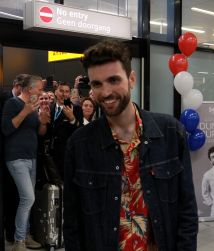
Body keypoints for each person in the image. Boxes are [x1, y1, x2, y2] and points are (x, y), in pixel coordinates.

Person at [63, 40, 199, 251]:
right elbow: (72, 222)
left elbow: (187, 210)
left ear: (131, 79)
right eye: (97, 84)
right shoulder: (79, 144)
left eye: (113, 80)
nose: (106, 92)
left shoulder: (171, 133)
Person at [1, 75, 50, 251]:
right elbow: (6, 129)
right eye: (39, 88)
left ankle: (26, 235)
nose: (41, 92)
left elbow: (40, 133)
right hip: (16, 157)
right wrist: (25, 112)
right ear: (30, 89)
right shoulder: (13, 104)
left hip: (31, 157)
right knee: (27, 198)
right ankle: (19, 241)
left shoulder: (33, 107)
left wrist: (43, 122)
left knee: (28, 199)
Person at [0, 74, 29, 246]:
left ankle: (17, 233)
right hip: (8, 153)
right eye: (23, 87)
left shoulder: (26, 102)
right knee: (12, 195)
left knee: (20, 196)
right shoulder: (6, 99)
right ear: (16, 85)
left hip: (19, 154)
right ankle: (12, 233)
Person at [48, 81, 82, 179]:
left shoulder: (76, 109)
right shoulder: (50, 108)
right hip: (51, 153)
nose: (64, 94)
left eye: (67, 91)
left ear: (70, 93)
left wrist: (72, 119)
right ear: (56, 92)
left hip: (67, 154)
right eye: (61, 91)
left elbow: (80, 131)